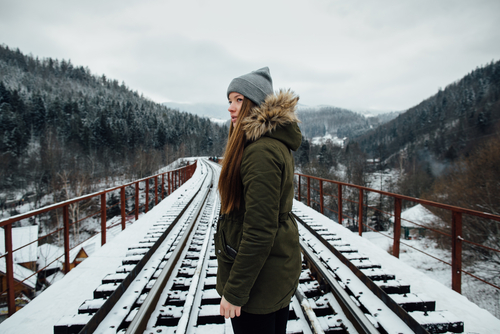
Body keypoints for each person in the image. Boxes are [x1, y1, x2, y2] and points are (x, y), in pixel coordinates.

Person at [215, 67, 303, 334]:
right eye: (229, 100)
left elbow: (259, 230)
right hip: (271, 273)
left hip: (259, 284)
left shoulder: (260, 152)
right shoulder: (270, 143)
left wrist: (235, 292)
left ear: (255, 104)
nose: (231, 107)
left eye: (239, 100)